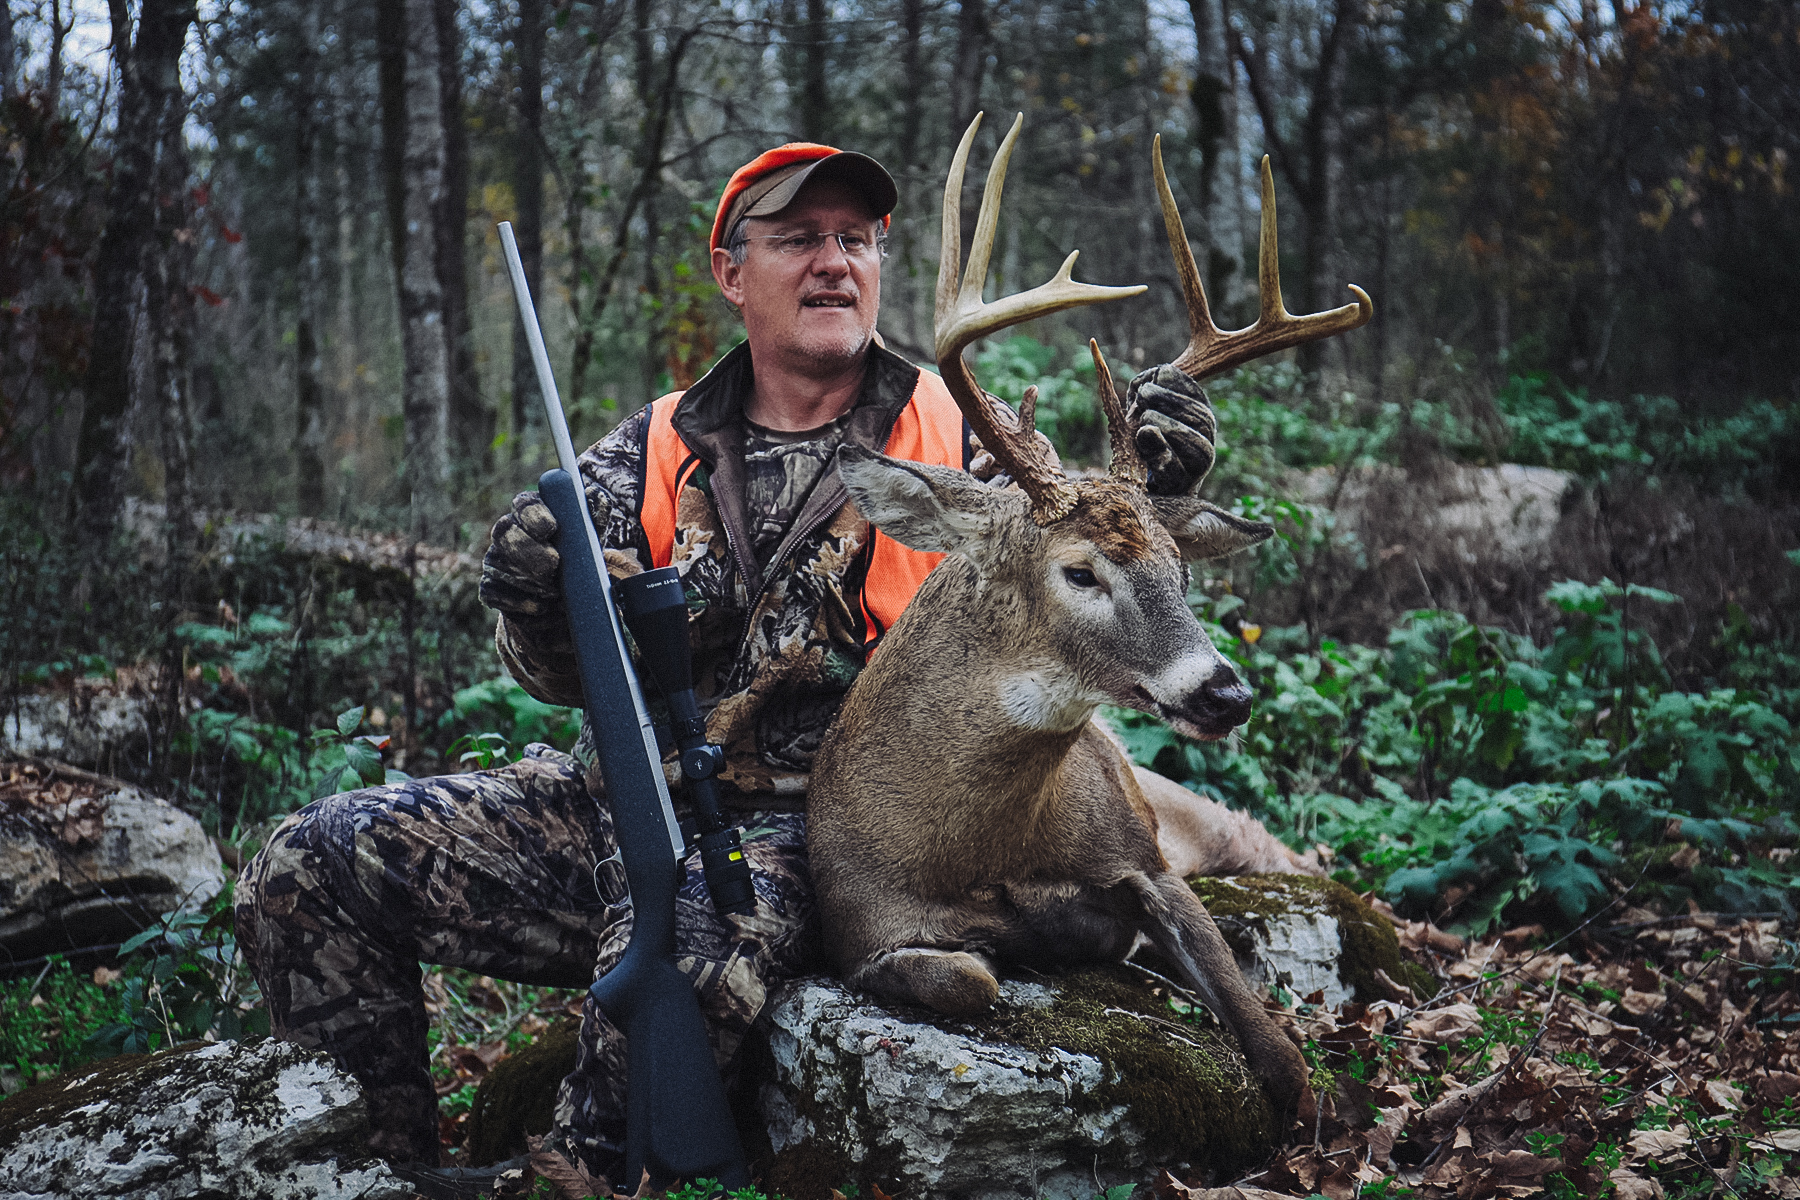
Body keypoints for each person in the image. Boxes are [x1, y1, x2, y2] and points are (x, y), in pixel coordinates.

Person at [234, 141, 1228, 1193]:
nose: (834, 263)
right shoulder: (652, 446)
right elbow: (553, 672)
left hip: (822, 834)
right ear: (730, 269)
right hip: (619, 801)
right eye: (798, 239)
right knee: (310, 862)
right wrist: (530, 592)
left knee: (689, 958)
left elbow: (1086, 544)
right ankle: (378, 1171)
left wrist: (1155, 478)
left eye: (855, 240)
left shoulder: (958, 442)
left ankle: (578, 1177)